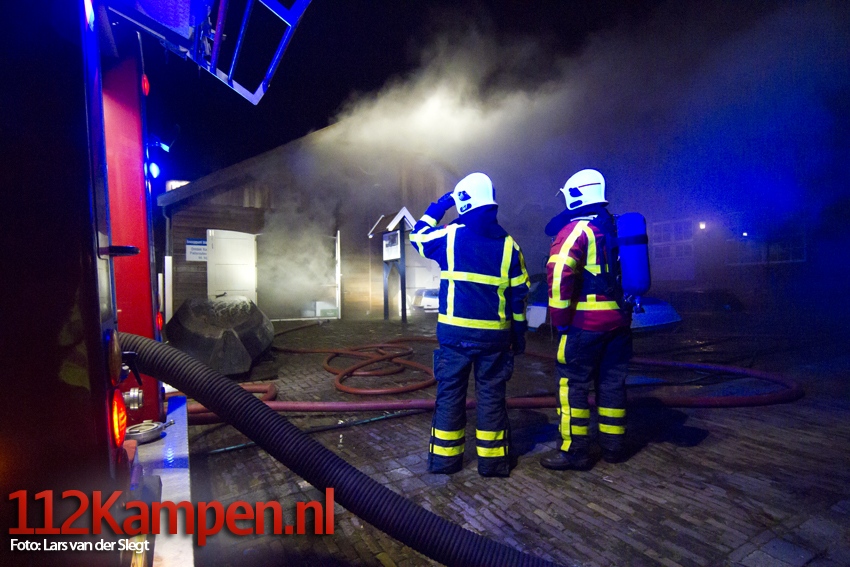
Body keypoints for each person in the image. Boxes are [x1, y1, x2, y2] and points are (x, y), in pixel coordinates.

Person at [410, 172, 530, 477]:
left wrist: (439, 206)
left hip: (455, 337)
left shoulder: (450, 237)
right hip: (495, 339)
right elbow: (519, 296)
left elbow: (417, 236)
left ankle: (445, 462)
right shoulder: (509, 245)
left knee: (450, 396)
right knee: (491, 397)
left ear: (463, 203)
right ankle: (493, 463)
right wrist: (518, 336)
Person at [540, 168, 632, 471]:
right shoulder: (615, 227)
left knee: (572, 387)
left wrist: (560, 319)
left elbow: (558, 273)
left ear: (575, 195)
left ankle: (575, 451)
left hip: (584, 325)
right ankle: (614, 448)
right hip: (619, 324)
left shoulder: (577, 229)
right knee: (612, 385)